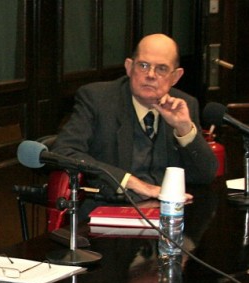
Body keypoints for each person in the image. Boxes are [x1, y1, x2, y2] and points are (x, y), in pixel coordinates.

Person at [52, 33, 217, 217]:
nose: (151, 75)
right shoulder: (97, 100)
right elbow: (63, 151)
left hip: (167, 216)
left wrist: (184, 129)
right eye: (144, 65)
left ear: (176, 77)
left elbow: (205, 175)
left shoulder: (184, 105)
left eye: (161, 69)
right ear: (129, 67)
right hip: (108, 213)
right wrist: (129, 181)